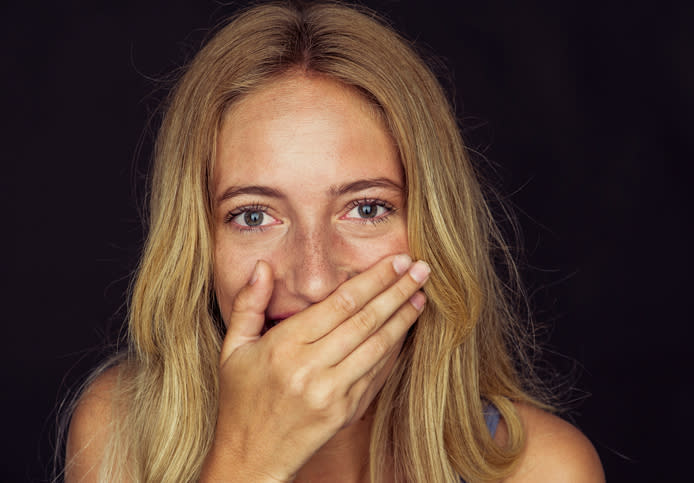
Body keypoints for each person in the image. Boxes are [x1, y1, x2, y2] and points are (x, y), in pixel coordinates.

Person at [63, 1, 605, 481]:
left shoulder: (544, 470)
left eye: (367, 210)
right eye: (253, 216)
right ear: (198, 247)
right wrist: (247, 461)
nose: (316, 282)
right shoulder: (118, 432)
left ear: (433, 234)